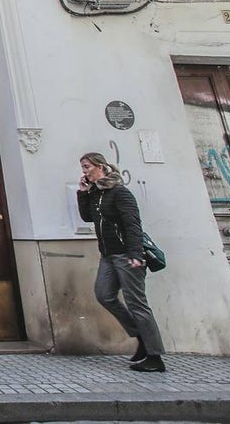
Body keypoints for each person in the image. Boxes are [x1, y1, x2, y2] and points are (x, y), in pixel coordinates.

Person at [77, 151, 166, 372]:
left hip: (127, 255)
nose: (84, 171)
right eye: (83, 167)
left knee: (137, 304)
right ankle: (141, 336)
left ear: (100, 166)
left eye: (87, 167)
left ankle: (155, 357)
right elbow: (88, 217)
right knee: (104, 294)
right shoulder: (97, 193)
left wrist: (136, 254)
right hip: (108, 256)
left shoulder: (120, 193)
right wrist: (83, 193)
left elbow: (133, 225)